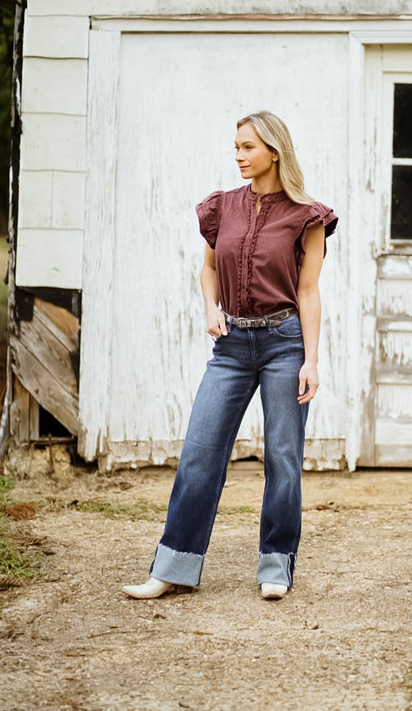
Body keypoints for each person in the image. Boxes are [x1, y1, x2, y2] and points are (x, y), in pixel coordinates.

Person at [122, 111, 338, 601]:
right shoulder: (222, 207)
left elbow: (308, 292)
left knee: (282, 457)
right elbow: (208, 269)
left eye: (247, 147)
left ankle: (276, 564)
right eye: (236, 146)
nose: (238, 155)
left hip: (284, 343)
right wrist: (211, 307)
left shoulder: (308, 216)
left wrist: (311, 360)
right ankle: (174, 567)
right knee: (200, 452)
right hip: (232, 347)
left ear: (274, 152)